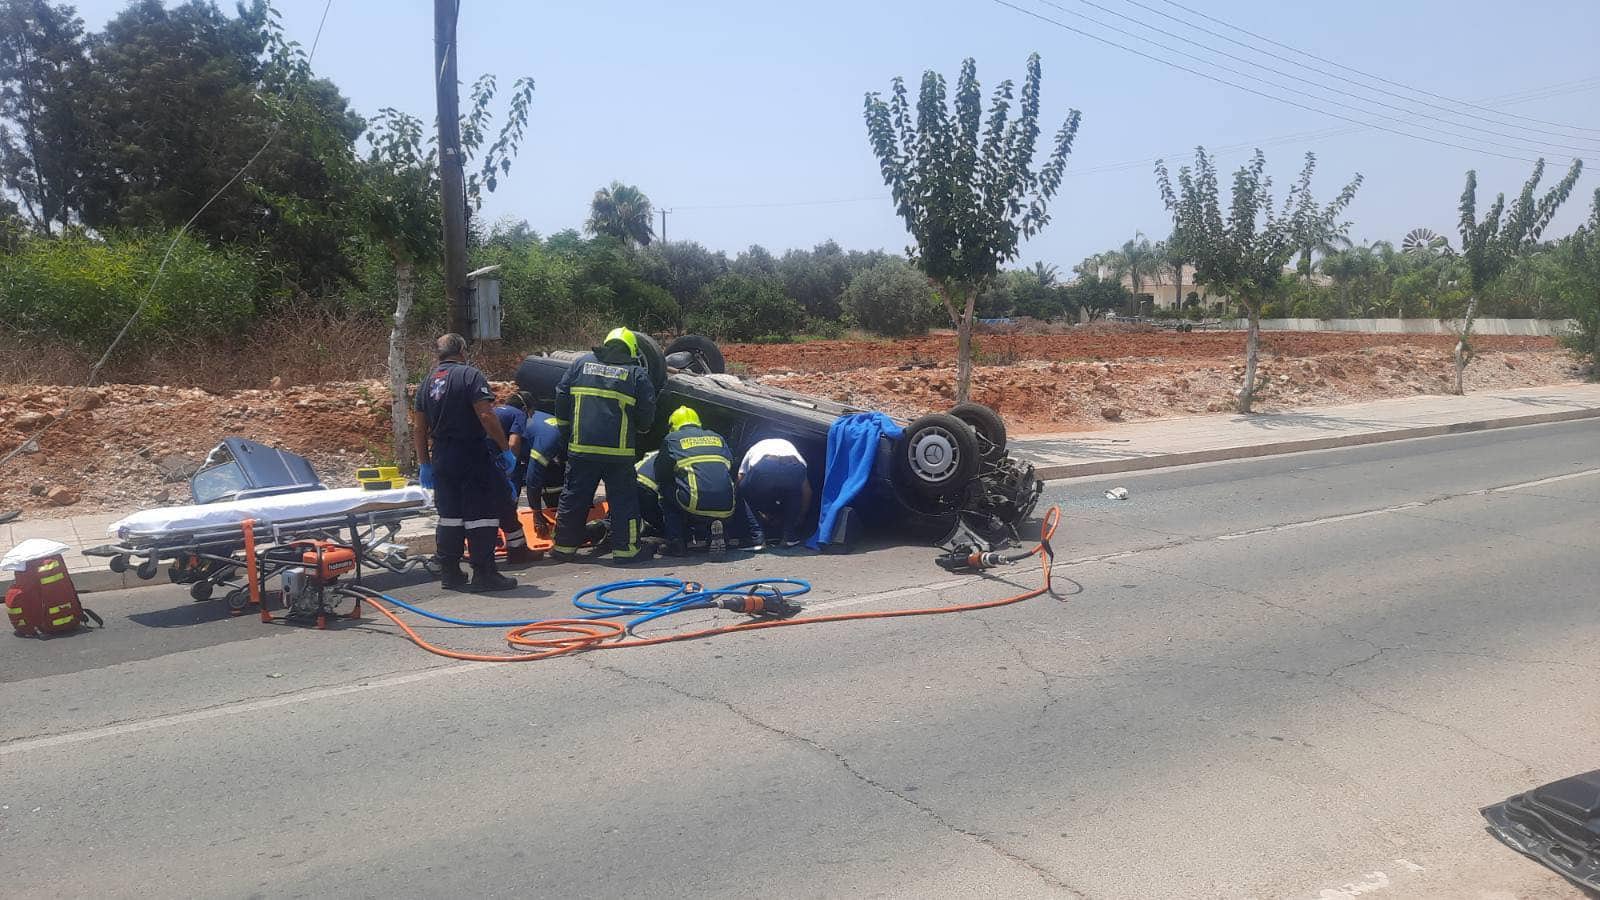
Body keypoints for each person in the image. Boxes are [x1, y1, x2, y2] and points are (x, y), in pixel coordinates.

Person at [410, 333, 519, 591]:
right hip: (470, 453)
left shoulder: (426, 383)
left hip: (442, 457)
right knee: (482, 514)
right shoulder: (470, 376)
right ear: (461, 349)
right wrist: (505, 450)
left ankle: (450, 573)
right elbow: (486, 415)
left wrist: (425, 463)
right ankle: (484, 574)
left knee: (450, 516)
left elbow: (418, 428)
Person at [552, 327, 656, 562]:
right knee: (623, 501)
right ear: (631, 350)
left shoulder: (580, 364)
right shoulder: (635, 373)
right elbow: (647, 408)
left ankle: (564, 548)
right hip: (618, 454)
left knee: (574, 497)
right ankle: (626, 551)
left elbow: (561, 394)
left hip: (582, 448)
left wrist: (566, 428)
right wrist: (641, 429)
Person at [654, 406, 764, 556]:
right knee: (726, 489)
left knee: (666, 490)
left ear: (673, 425)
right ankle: (726, 535)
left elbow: (661, 472)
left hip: (693, 503)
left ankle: (677, 542)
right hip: (726, 503)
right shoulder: (717, 437)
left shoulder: (672, 439)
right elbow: (730, 465)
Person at [509, 393, 568, 539]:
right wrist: (536, 513)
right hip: (522, 446)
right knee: (512, 482)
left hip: (535, 447)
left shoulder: (549, 438)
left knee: (554, 478)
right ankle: (508, 523)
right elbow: (532, 478)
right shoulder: (547, 441)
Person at [738, 437, 813, 548]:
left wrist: (735, 501)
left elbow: (741, 477)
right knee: (794, 492)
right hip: (795, 465)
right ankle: (789, 537)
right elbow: (807, 491)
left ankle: (757, 537)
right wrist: (801, 516)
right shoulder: (791, 449)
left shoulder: (753, 449)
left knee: (744, 490)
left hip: (766, 465)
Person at [488, 394, 534, 563]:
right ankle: (518, 553)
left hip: (474, 460)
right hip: (494, 464)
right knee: (506, 507)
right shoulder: (518, 414)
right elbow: (514, 444)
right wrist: (509, 471)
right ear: (525, 408)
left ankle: (485, 551)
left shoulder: (495, 410)